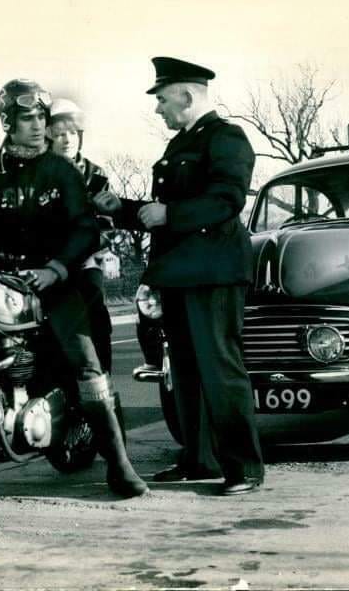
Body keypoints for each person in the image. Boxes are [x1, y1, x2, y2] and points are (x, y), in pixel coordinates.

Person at [0, 79, 147, 498]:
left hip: (56, 282)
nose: (37, 126)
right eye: (27, 118)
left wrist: (57, 268)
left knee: (87, 363)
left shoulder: (62, 171)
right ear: (7, 122)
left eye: (41, 118)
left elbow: (85, 229)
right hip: (5, 283)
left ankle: (119, 465)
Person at [94, 56, 264, 496]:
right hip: (182, 273)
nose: (158, 109)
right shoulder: (181, 144)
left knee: (220, 368)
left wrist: (170, 213)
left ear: (187, 97)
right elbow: (159, 215)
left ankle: (244, 467)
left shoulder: (226, 138)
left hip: (212, 272)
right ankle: (198, 459)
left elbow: (226, 199)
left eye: (163, 100)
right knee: (184, 371)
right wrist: (122, 209)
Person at [48, 98, 113, 374]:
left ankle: (103, 388)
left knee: (94, 306)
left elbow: (106, 224)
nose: (66, 139)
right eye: (59, 133)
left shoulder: (95, 175)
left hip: (84, 261)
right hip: (43, 261)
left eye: (72, 133)